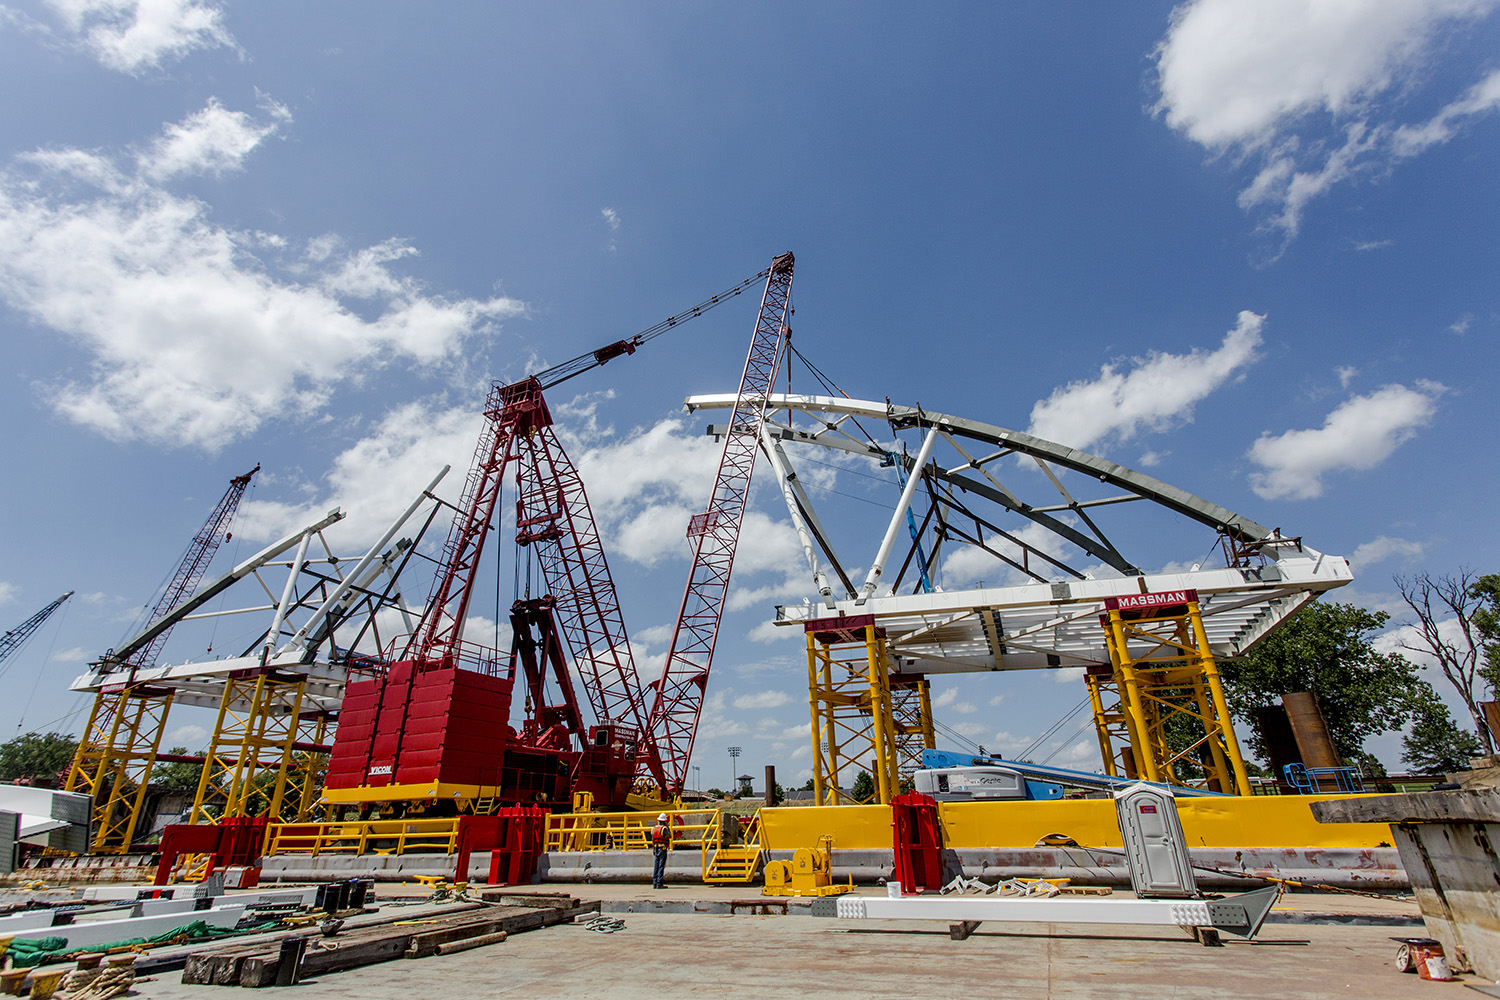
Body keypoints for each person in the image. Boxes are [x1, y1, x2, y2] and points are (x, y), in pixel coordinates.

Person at [650, 812, 670, 889]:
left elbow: (652, 839)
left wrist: (654, 849)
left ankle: (654, 883)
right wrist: (668, 827)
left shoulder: (654, 828)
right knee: (661, 866)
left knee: (656, 866)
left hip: (656, 848)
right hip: (662, 848)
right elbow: (669, 835)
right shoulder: (664, 829)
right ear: (664, 821)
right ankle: (659, 883)